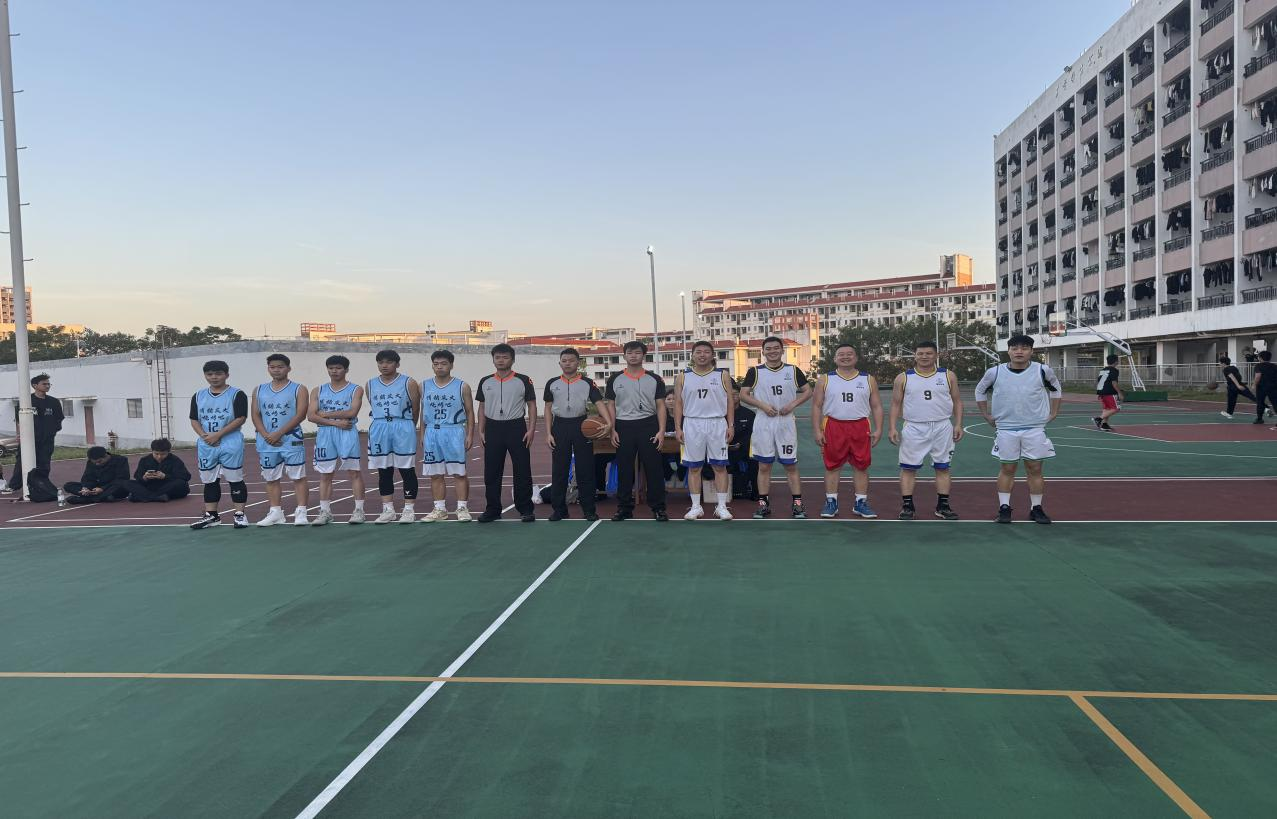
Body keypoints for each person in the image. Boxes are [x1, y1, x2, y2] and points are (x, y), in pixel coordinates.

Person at [975, 334, 1062, 524]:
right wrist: (986, 415)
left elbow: (1056, 388)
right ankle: (1004, 507)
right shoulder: (994, 372)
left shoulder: (1042, 370)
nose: (1019, 352)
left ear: (1031, 351)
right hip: (1006, 428)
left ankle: (1036, 508)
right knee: (1007, 468)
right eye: (1014, 348)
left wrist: (1054, 412)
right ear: (1008, 351)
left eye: (1024, 348)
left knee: (1034, 468)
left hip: (1034, 428)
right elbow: (980, 390)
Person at [887, 340, 963, 521]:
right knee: (908, 468)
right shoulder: (903, 377)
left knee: (943, 467)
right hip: (914, 427)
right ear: (915, 355)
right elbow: (895, 404)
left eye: (929, 353)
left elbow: (957, 401)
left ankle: (943, 506)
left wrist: (958, 424)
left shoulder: (948, 375)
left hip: (942, 426)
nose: (924, 356)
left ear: (936, 355)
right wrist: (892, 427)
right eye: (920, 353)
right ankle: (907, 506)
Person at [740, 336, 812, 518]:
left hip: (785, 422)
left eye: (776, 348)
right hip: (764, 422)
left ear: (782, 350)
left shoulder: (792, 370)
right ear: (763, 352)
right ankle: (763, 504)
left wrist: (792, 404)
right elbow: (743, 394)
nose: (772, 351)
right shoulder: (755, 372)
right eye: (768, 349)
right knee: (764, 465)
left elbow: (808, 391)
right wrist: (763, 406)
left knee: (790, 465)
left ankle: (797, 504)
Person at [811, 343, 882, 519]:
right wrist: (817, 430)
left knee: (861, 466)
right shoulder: (825, 379)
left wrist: (879, 429)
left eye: (849, 354)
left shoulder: (868, 379)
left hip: (860, 426)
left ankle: (860, 503)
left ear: (856, 358)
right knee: (832, 465)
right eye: (841, 354)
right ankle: (831, 502)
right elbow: (817, 406)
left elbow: (876, 406)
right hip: (834, 425)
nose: (845, 357)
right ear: (835, 358)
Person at [606, 340, 670, 522]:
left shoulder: (655, 379)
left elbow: (661, 405)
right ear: (624, 356)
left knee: (654, 468)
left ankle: (658, 508)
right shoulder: (615, 379)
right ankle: (624, 508)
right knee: (624, 469)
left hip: (648, 425)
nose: (633, 356)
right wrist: (612, 429)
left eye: (637, 353)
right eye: (630, 353)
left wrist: (661, 430)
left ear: (644, 356)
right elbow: (611, 405)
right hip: (623, 426)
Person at [543, 348, 609, 522]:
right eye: (564, 361)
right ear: (559, 363)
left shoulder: (588, 382)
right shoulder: (552, 383)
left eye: (571, 360)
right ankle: (559, 510)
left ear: (578, 363)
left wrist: (608, 422)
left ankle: (589, 510)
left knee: (585, 469)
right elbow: (548, 408)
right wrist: (548, 433)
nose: (567, 363)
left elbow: (599, 402)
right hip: (559, 426)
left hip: (581, 425)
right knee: (559, 470)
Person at [674, 340, 736, 520]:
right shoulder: (683, 376)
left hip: (717, 423)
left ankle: (722, 506)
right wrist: (678, 427)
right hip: (692, 423)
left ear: (712, 355)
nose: (702, 355)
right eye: (698, 352)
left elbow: (730, 401)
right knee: (694, 467)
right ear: (692, 355)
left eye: (706, 352)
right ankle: (696, 507)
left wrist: (731, 425)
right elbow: (678, 403)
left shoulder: (722, 375)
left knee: (720, 466)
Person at [476, 343, 537, 523]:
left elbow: (532, 405)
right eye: (497, 357)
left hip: (516, 427)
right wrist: (481, 430)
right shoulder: (485, 381)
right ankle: (493, 509)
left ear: (512, 360)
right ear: (493, 360)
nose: (501, 360)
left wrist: (531, 429)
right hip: (493, 428)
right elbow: (482, 407)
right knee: (492, 471)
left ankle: (525, 509)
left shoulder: (524, 380)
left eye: (505, 357)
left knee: (522, 470)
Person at [189, 360, 250, 530]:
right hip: (206, 442)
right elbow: (194, 419)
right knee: (209, 480)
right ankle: (212, 516)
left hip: (230, 441)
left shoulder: (237, 394)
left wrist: (218, 435)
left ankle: (239, 514)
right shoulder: (198, 395)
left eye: (218, 373)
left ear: (226, 375)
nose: (214, 377)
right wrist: (204, 436)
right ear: (205, 375)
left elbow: (241, 418)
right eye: (209, 374)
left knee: (235, 478)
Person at [251, 354, 310, 526]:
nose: (276, 370)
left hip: (291, 438)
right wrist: (266, 435)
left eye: (280, 367)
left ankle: (301, 511)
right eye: (272, 367)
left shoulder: (299, 389)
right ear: (268, 368)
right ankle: (275, 512)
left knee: (298, 476)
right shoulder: (259, 389)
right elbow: (255, 414)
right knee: (270, 478)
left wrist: (279, 433)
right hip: (266, 441)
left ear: (288, 368)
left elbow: (300, 414)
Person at [309, 355, 366, 525]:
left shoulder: (356, 389)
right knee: (325, 474)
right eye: (331, 368)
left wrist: (325, 414)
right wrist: (335, 422)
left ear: (346, 369)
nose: (334, 371)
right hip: (325, 433)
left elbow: (352, 412)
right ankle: (325, 512)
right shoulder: (318, 390)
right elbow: (311, 416)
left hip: (347, 432)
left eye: (338, 368)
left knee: (354, 472)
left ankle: (359, 511)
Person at [367, 349, 422, 524]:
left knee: (407, 470)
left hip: (402, 425)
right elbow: (372, 404)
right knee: (384, 471)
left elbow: (415, 408)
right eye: (381, 362)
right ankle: (388, 510)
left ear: (397, 364)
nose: (384, 365)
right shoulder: (370, 384)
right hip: (380, 427)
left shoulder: (409, 382)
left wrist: (409, 426)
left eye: (389, 362)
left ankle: (409, 510)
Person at [420, 349, 474, 522]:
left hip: (454, 430)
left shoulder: (462, 386)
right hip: (432, 431)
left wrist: (470, 434)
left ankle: (462, 507)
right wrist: (422, 433)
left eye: (443, 364)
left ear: (451, 365)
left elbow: (470, 412)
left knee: (459, 473)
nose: (439, 367)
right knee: (435, 473)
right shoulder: (424, 385)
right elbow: (423, 411)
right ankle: (439, 509)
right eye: (436, 364)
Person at [9, 373, 64, 494]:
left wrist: (52, 431)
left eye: (49, 384)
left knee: (44, 462)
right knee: (22, 461)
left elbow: (59, 418)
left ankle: (43, 484)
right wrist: (19, 435)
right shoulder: (26, 401)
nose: (47, 386)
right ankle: (14, 485)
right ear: (35, 385)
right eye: (44, 384)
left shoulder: (54, 402)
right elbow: (19, 420)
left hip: (47, 439)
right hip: (29, 438)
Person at [125, 438, 191, 503]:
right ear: (152, 451)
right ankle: (157, 497)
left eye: (163, 454)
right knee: (128, 483)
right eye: (156, 454)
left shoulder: (175, 460)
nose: (159, 456)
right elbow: (137, 476)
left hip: (167, 486)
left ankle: (143, 497)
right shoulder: (144, 460)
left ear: (168, 452)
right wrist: (144, 477)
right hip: (150, 485)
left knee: (181, 484)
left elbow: (185, 476)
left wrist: (165, 476)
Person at [63, 446, 131, 504]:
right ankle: (103, 497)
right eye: (94, 463)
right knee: (68, 485)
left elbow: (122, 478)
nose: (97, 464)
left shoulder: (121, 460)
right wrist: (86, 488)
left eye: (99, 461)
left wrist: (102, 489)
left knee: (124, 485)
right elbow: (87, 477)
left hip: (112, 487)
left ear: (106, 456)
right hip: (96, 488)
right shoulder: (91, 463)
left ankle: (88, 500)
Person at [728, 384, 758, 500]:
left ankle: (756, 492)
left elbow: (751, 433)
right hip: (724, 449)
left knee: (755, 460)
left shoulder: (749, 414)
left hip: (743, 448)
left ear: (740, 396)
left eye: (735, 394)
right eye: (730, 394)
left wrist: (740, 444)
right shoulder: (720, 414)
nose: (733, 396)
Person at [1092, 354, 1124, 431]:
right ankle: (1098, 419)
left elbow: (1098, 381)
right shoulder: (1114, 370)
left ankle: (1104, 424)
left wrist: (1099, 392)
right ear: (1116, 361)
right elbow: (1114, 383)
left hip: (1102, 392)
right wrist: (1120, 393)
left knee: (1107, 409)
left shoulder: (1103, 370)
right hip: (1109, 392)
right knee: (1116, 408)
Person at [1253, 350, 1277, 425]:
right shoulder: (1274, 366)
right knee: (1275, 402)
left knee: (1260, 402)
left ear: (1260, 358)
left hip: (1261, 387)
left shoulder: (1258, 366)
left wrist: (1254, 384)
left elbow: (1258, 376)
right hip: (1273, 387)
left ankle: (1259, 419)